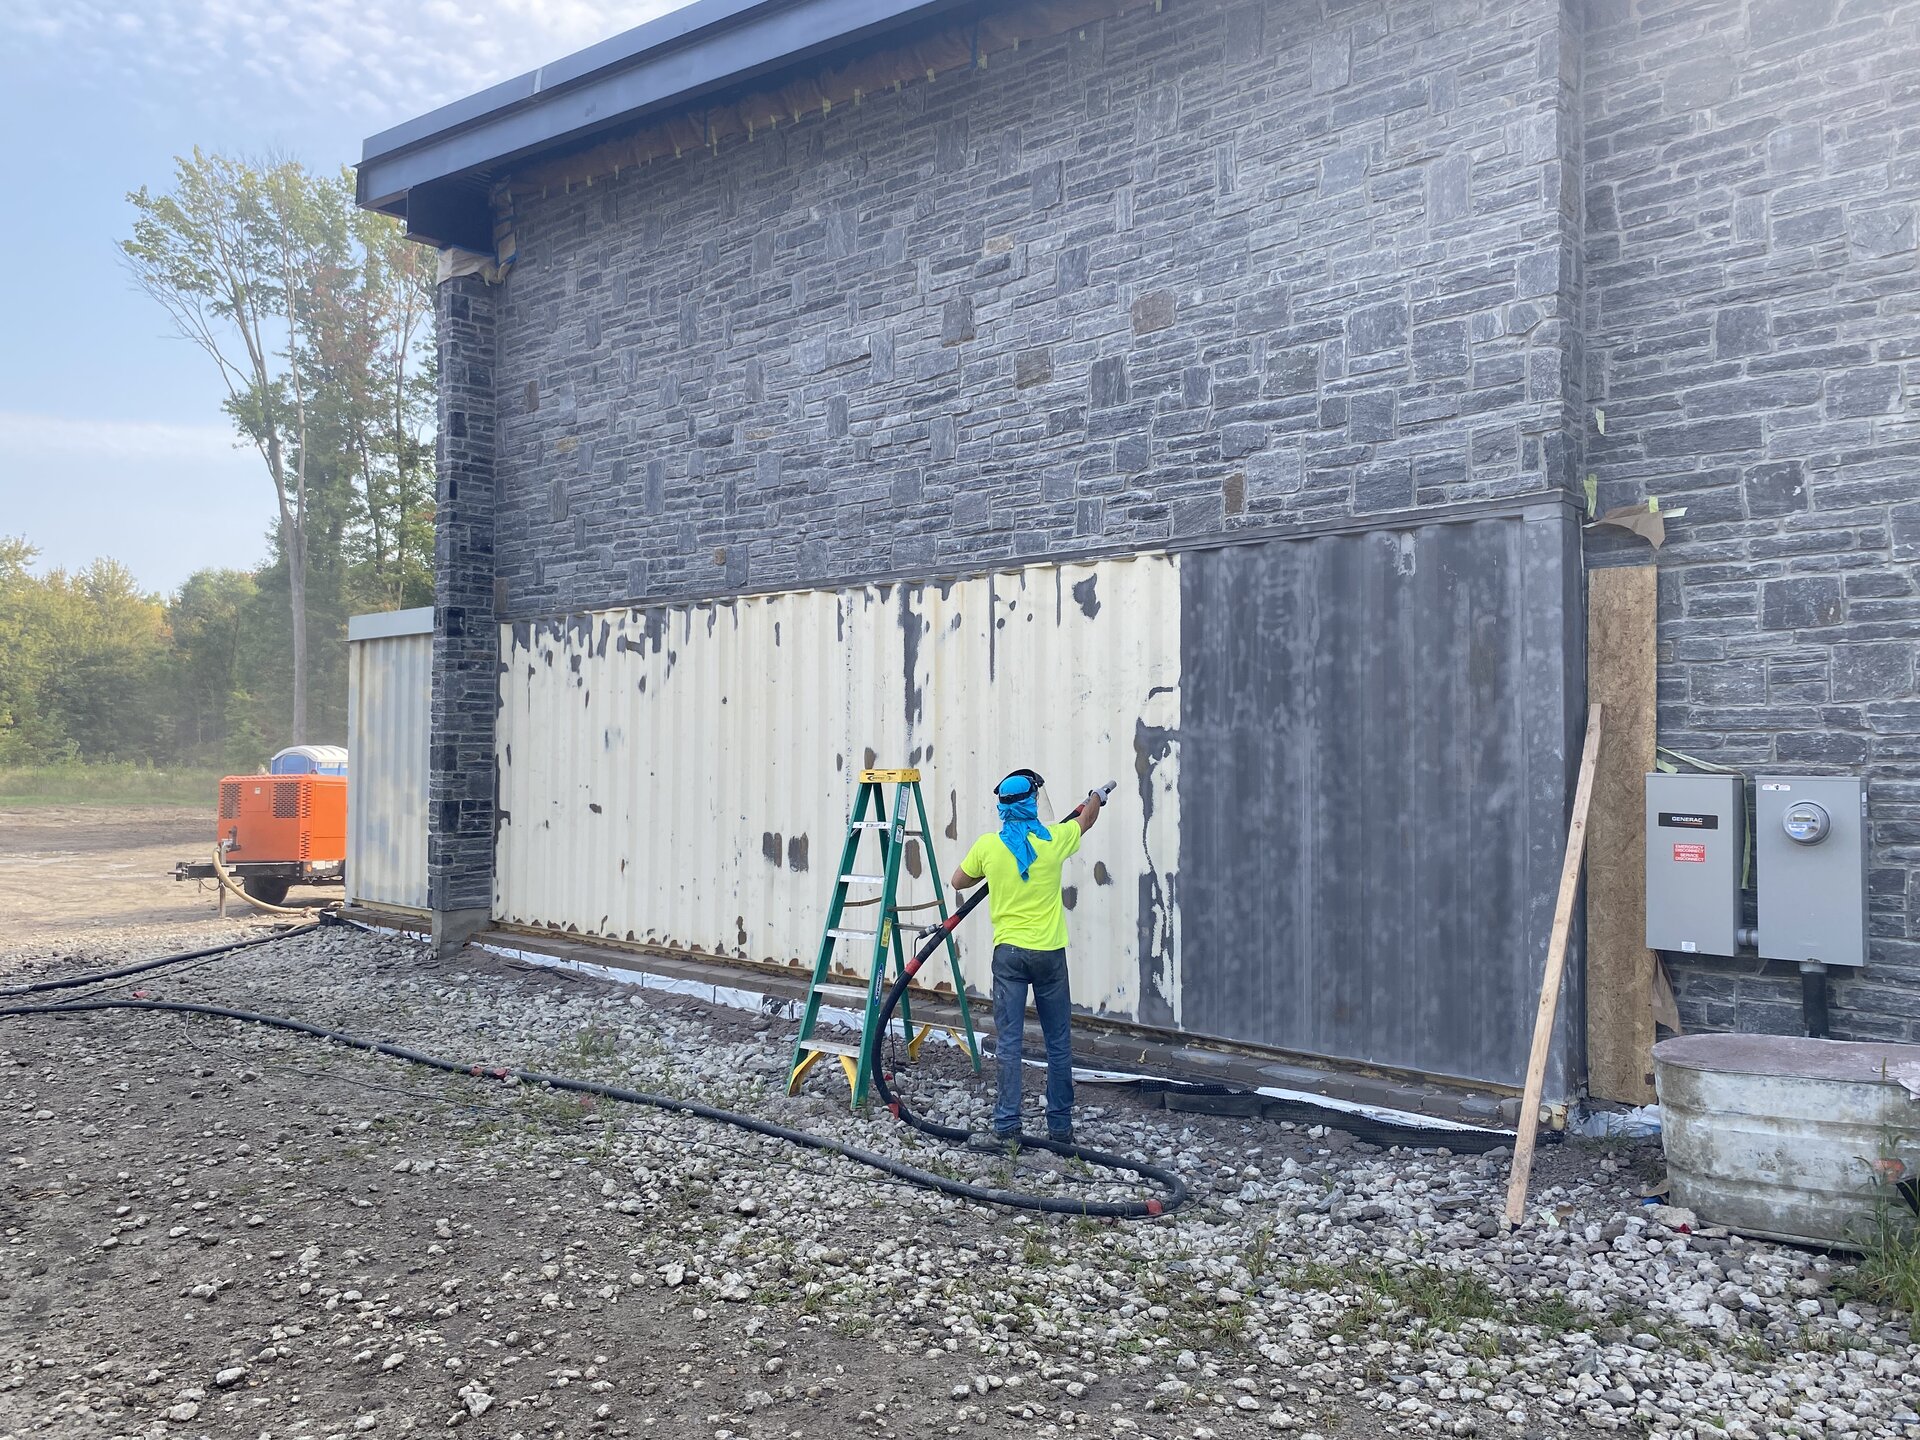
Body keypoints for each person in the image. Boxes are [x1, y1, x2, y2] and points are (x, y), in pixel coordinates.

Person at [950, 769, 1102, 1145]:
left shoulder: (988, 847)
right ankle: (1060, 1128)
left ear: (1002, 807)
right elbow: (1085, 820)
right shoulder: (1054, 841)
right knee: (1057, 1043)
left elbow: (958, 881)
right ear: (1033, 803)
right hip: (1049, 955)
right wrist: (1096, 795)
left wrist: (994, 871)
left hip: (1010, 956)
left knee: (1009, 1043)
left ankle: (1006, 1126)